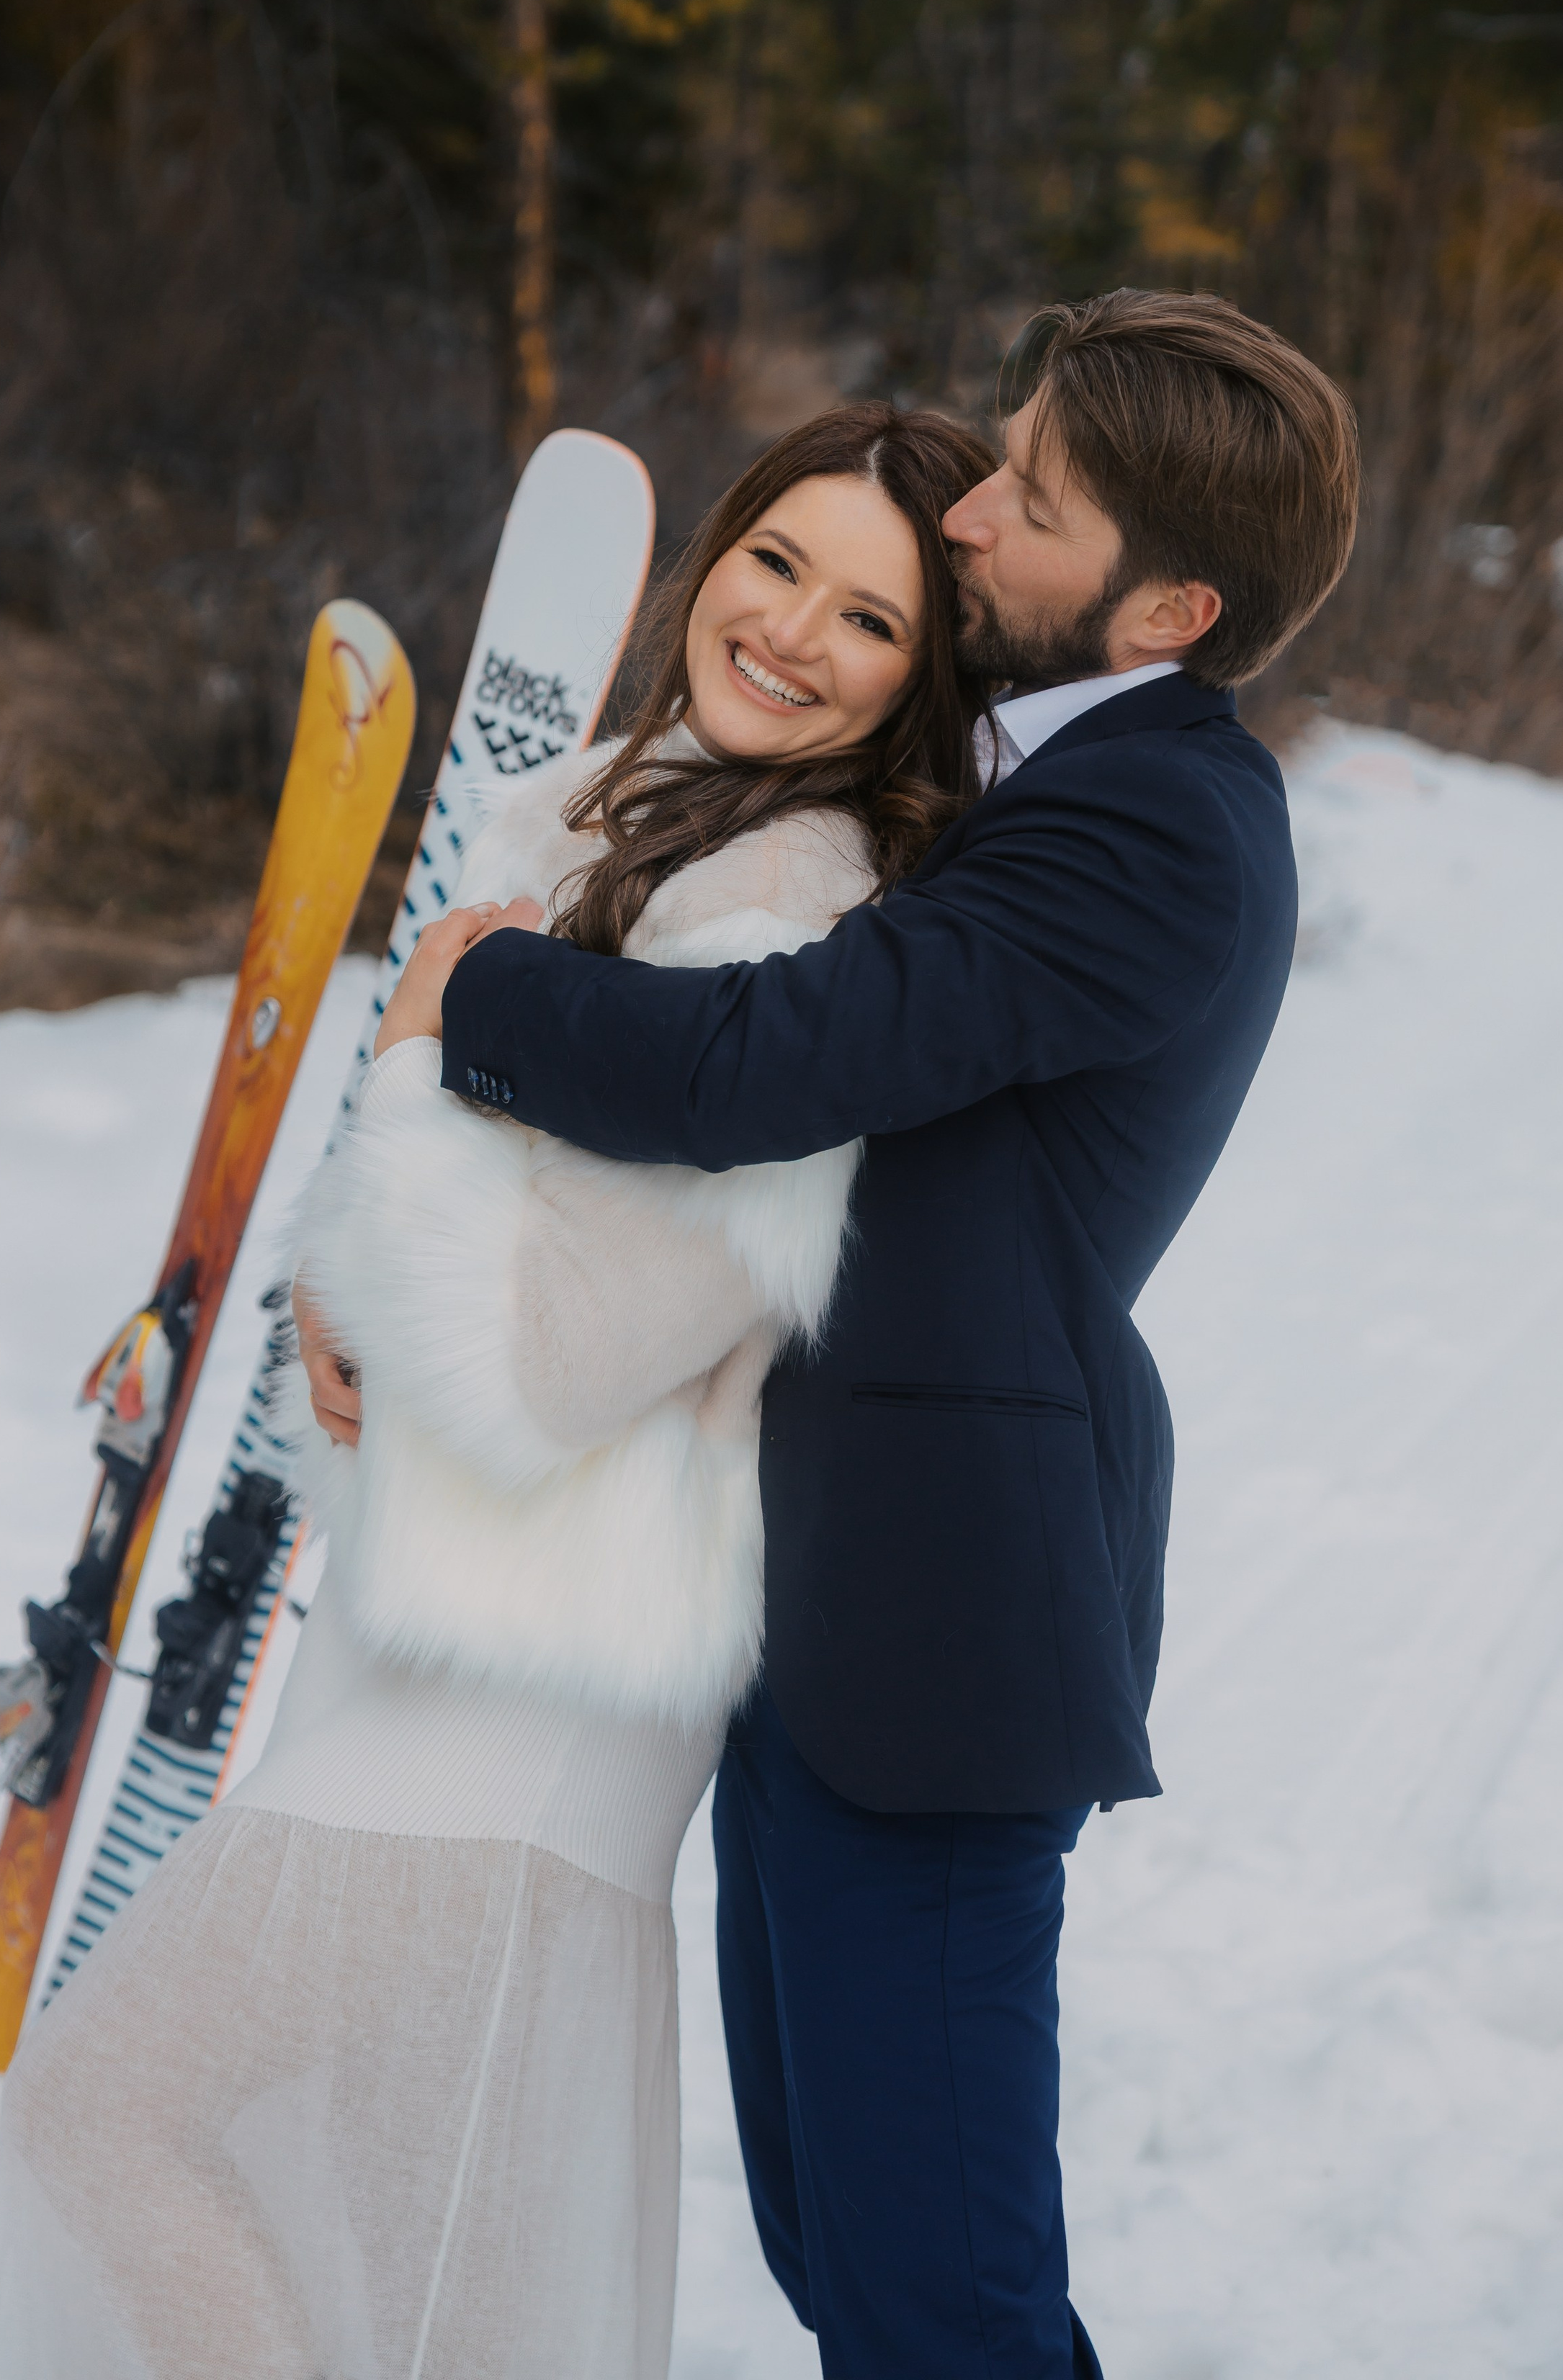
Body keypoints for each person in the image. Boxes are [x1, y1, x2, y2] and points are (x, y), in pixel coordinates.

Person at [375, 288, 1361, 2377]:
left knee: (945, 2310)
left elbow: (777, 1061)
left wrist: (469, 989)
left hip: (944, 1622)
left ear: (1167, 605)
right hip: (832, 1612)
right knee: (858, 2264)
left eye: (1039, 496)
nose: (981, 511)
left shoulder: (1165, 821)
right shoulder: (1030, 783)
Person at [0, 400, 994, 2380]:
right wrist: (353, 1251)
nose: (788, 631)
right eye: (777, 560)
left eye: (869, 622)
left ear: (915, 685)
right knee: (396, 2215)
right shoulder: (633, 806)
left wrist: (435, 1030)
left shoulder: (790, 922)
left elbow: (551, 1355)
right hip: (449, 1620)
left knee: (117, 2103)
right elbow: (443, 1244)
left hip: (540, 1668)